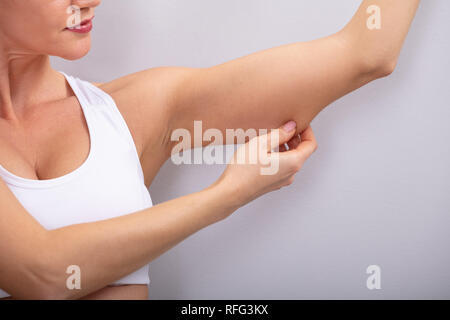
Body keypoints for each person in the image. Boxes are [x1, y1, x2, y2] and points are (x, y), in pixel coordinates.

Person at [0, 0, 421, 299]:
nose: (90, 1)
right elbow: (45, 274)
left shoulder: (134, 110)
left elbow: (367, 53)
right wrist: (227, 195)